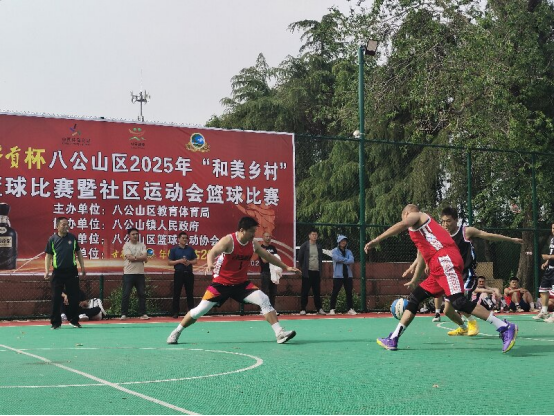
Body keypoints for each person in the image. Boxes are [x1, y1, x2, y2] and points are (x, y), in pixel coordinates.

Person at [365, 204, 518, 353]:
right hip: (437, 269)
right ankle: (394, 338)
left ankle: (504, 327)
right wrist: (415, 278)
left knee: (458, 302)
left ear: (406, 214)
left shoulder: (417, 215)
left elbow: (403, 224)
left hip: (445, 262)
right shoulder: (422, 232)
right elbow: (422, 255)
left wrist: (377, 240)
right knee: (415, 297)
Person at [167, 216, 300, 345]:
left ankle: (279, 333)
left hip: (241, 284)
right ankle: (177, 331)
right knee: (199, 311)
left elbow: (268, 256)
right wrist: (210, 264)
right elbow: (212, 252)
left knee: (264, 299)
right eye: (251, 231)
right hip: (221, 284)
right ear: (242, 230)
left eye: (255, 231)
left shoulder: (253, 243)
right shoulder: (228, 241)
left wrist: (286, 267)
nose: (254, 234)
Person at [408, 207, 523, 335]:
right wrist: (416, 263)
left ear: (456, 220)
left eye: (449, 221)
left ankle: (487, 324)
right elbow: (424, 248)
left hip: (466, 274)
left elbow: (488, 235)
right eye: (443, 221)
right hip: (449, 274)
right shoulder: (439, 233)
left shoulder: (466, 231)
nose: (445, 224)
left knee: (459, 303)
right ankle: (464, 327)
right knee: (447, 311)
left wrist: (511, 239)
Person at [44, 217, 86, 329]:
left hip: (72, 271)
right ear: (57, 226)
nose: (66, 226)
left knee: (74, 297)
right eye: (63, 224)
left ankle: (74, 320)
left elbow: (78, 253)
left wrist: (82, 267)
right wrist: (47, 271)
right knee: (56, 297)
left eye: (67, 224)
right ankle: (55, 322)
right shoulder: (52, 239)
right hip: (58, 272)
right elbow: (48, 256)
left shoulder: (72, 238)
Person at [121, 228, 149, 320]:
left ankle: (143, 314)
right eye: (133, 234)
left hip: (140, 273)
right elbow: (130, 258)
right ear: (129, 236)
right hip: (128, 274)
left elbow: (145, 256)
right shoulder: (126, 245)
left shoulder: (142, 245)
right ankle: (124, 314)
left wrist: (135, 257)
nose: (135, 236)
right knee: (126, 294)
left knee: (142, 294)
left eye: (136, 234)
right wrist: (140, 257)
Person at [168, 232, 198, 319]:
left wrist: (189, 262)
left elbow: (195, 261)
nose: (185, 240)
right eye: (183, 238)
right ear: (178, 239)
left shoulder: (190, 249)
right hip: (179, 273)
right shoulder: (174, 250)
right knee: (176, 293)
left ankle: (191, 312)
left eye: (186, 238)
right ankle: (175, 312)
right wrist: (179, 261)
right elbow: (169, 262)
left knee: (190, 293)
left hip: (188, 273)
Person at [297, 229, 326, 315]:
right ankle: (303, 309)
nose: (314, 236)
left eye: (316, 235)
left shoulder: (319, 246)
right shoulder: (304, 246)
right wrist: (304, 268)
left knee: (317, 291)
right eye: (313, 234)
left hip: (316, 272)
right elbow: (300, 258)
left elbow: (320, 258)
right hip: (307, 272)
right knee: (305, 291)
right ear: (309, 236)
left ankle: (319, 308)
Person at [329, 235, 356, 315]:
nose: (343, 242)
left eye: (345, 241)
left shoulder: (349, 251)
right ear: (339, 242)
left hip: (348, 275)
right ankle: (332, 309)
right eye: (342, 241)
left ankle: (350, 309)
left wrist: (342, 260)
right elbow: (336, 258)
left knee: (349, 292)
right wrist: (346, 260)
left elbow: (351, 260)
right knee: (335, 292)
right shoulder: (334, 251)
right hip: (338, 275)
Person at [535, 223, 554, 322]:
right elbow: (551, 253)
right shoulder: (552, 239)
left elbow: (550, 255)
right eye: (553, 228)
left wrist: (548, 257)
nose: (553, 230)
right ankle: (544, 311)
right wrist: (546, 262)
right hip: (550, 269)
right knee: (543, 290)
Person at [259, 232, 278, 309]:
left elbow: (277, 259)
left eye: (269, 236)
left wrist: (268, 257)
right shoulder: (260, 248)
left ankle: (272, 309)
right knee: (264, 291)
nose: (268, 238)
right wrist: (272, 257)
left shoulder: (273, 248)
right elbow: (264, 260)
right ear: (263, 237)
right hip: (265, 272)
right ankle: (263, 309)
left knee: (273, 292)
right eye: (266, 236)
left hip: (273, 273)